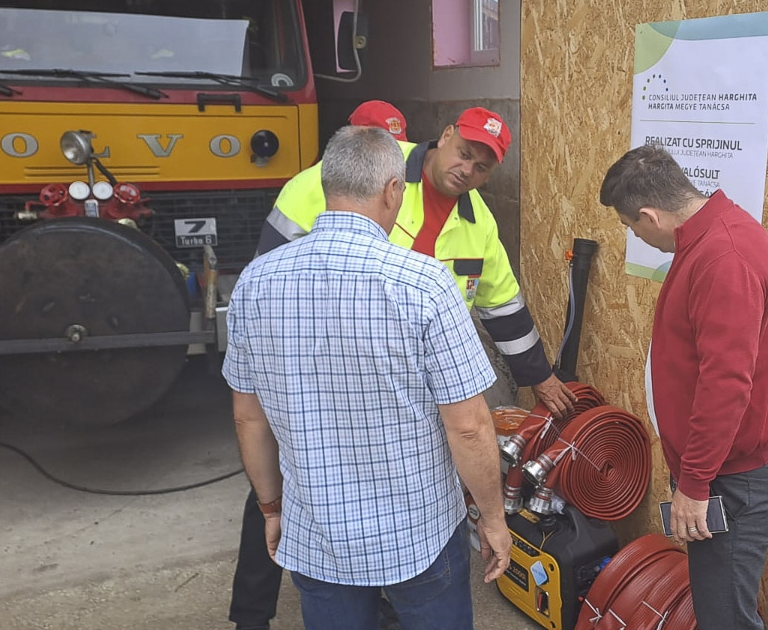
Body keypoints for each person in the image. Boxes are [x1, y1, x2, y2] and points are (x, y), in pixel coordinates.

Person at [231, 105, 576, 630]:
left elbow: (503, 306)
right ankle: (251, 616)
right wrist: (492, 518)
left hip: (332, 488)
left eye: (483, 166)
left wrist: (540, 375)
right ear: (440, 140)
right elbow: (469, 423)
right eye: (465, 153)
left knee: (292, 510)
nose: (469, 169)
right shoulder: (337, 183)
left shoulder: (477, 220)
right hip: (382, 476)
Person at [229, 99, 411, 630]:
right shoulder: (306, 187)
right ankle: (251, 614)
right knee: (272, 489)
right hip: (304, 353)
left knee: (350, 488)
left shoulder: (401, 186)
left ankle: (371, 595)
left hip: (361, 354)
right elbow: (268, 272)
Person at [599, 144, 768, 630]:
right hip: (722, 471)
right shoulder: (710, 236)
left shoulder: (722, 256)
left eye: (632, 228)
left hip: (734, 478)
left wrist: (695, 483)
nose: (638, 236)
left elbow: (726, 384)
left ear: (650, 216)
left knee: (725, 617)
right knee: (720, 605)